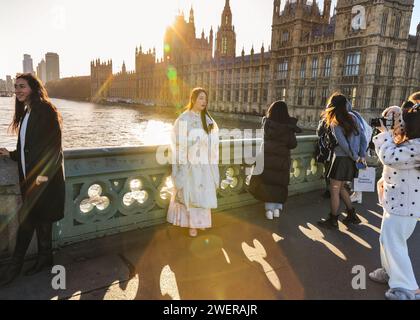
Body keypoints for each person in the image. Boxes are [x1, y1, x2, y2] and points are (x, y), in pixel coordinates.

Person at [0, 73, 65, 286]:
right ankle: (46, 258)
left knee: (26, 221)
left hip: (43, 180)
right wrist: (9, 154)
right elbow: (28, 148)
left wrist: (43, 176)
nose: (17, 90)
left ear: (33, 88)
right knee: (42, 222)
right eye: (16, 86)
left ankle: (14, 268)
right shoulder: (28, 111)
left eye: (22, 86)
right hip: (32, 180)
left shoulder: (45, 109)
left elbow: (54, 146)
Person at [369, 102, 420, 300]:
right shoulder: (413, 141)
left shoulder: (417, 146)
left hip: (405, 206)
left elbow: (389, 156)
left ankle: (408, 288)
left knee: (395, 244)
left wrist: (384, 133)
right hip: (396, 201)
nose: (401, 127)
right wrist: (398, 114)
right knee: (387, 240)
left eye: (404, 123)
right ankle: (390, 271)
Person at [167, 87, 219, 237]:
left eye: (205, 99)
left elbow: (214, 144)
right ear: (193, 99)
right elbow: (176, 142)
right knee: (191, 194)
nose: (204, 101)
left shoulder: (208, 120)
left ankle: (201, 223)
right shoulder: (183, 119)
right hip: (190, 163)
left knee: (202, 195)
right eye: (201, 98)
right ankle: (191, 225)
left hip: (204, 163)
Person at [317, 93, 367, 229]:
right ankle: (351, 215)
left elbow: (343, 144)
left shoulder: (335, 122)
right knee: (341, 188)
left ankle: (332, 220)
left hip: (341, 160)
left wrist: (355, 156)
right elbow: (363, 138)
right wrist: (361, 155)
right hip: (351, 160)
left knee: (334, 190)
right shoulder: (354, 118)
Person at [248, 100, 301, 220]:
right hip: (282, 160)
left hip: (268, 158)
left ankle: (269, 211)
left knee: (268, 183)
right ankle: (277, 209)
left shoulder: (268, 123)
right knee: (279, 184)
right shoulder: (289, 127)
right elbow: (293, 144)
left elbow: (264, 139)